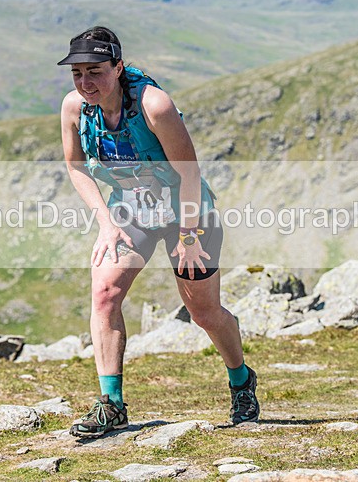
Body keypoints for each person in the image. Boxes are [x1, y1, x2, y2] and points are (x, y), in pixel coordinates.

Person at [57, 26, 259, 438]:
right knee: (105, 293)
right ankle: (111, 405)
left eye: (95, 71)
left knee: (203, 312)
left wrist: (188, 236)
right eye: (77, 74)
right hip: (131, 206)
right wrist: (106, 222)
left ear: (118, 66)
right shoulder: (75, 108)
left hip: (186, 207)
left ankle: (241, 380)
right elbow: (76, 167)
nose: (85, 83)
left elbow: (188, 172)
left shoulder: (155, 105)